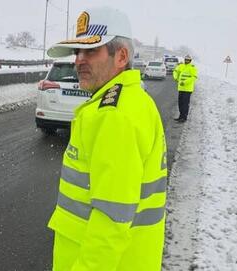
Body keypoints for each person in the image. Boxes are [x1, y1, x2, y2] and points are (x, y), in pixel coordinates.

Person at [47, 6, 167, 271]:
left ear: (121, 56)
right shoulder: (135, 101)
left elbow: (111, 219)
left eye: (91, 50)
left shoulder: (114, 116)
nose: (79, 60)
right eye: (78, 51)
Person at [173, 54, 198, 122]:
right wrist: (175, 77)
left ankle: (184, 117)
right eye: (186, 59)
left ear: (190, 60)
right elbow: (175, 71)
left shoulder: (192, 67)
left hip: (188, 89)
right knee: (180, 103)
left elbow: (194, 77)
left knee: (185, 104)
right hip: (181, 88)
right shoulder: (181, 66)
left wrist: (185, 82)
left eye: (188, 60)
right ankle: (180, 116)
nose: (186, 61)